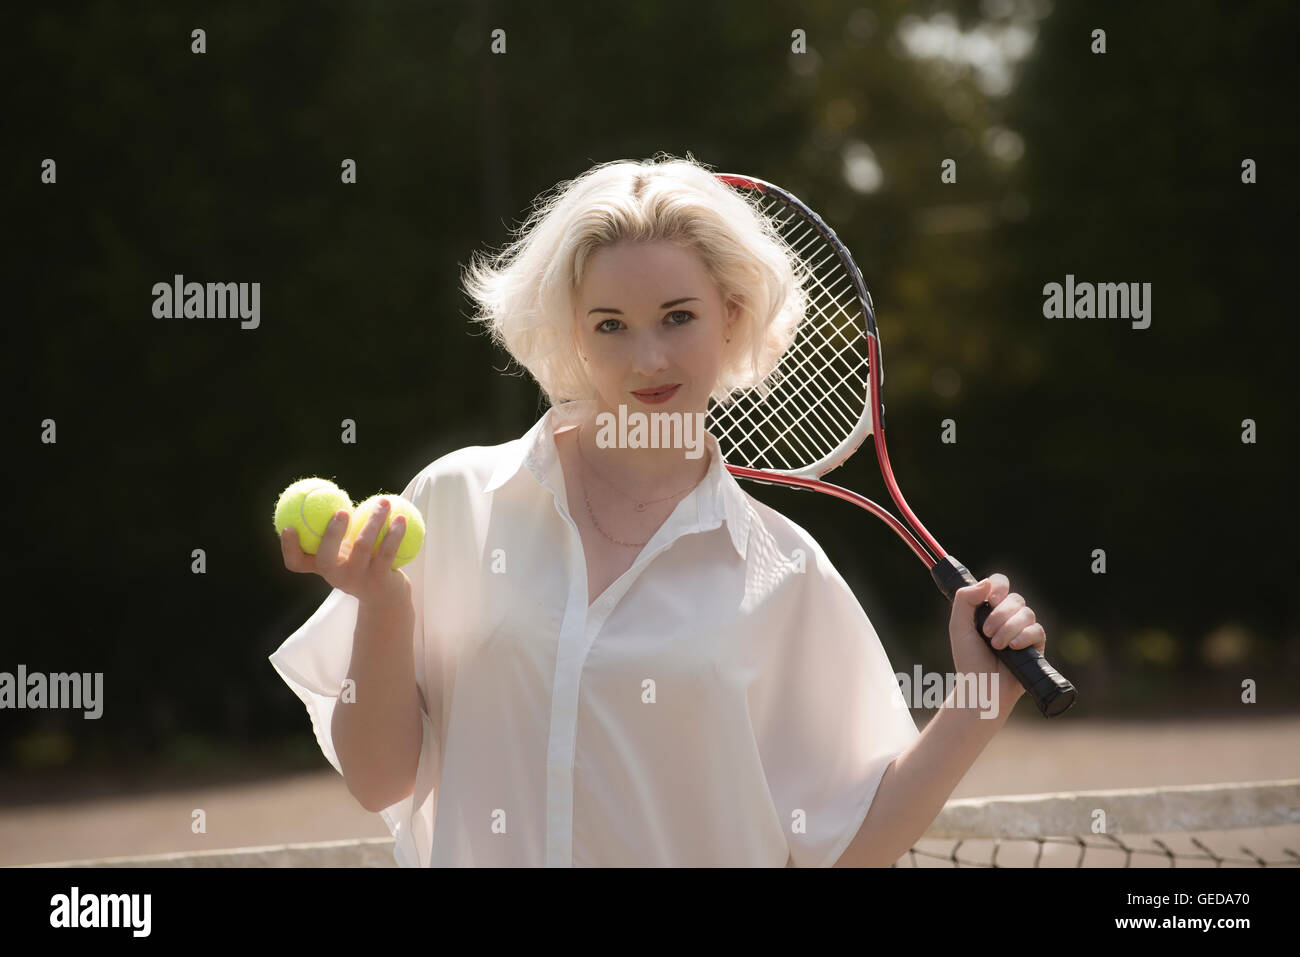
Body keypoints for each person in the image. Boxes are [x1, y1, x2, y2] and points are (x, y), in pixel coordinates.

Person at [269, 152, 1047, 867]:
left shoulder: (784, 572)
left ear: (733, 317)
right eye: (611, 325)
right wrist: (382, 601)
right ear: (572, 332)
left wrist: (983, 700)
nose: (648, 359)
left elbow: (850, 844)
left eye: (678, 316)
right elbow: (378, 781)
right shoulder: (454, 500)